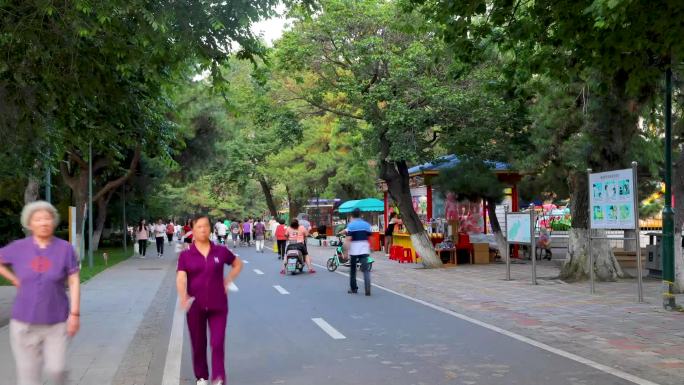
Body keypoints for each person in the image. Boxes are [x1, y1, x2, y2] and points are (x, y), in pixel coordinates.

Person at [0, 201, 81, 385]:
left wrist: (75, 314)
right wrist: (13, 279)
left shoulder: (65, 248)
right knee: (28, 377)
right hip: (23, 322)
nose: (43, 223)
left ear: (53, 221)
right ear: (29, 223)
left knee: (57, 370)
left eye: (47, 218)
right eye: (38, 219)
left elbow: (74, 280)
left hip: (57, 321)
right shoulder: (18, 247)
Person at [177, 215, 243, 385]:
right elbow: (181, 277)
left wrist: (228, 280)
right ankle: (201, 376)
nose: (203, 229)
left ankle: (219, 377)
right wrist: (183, 295)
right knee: (198, 344)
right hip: (195, 306)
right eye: (199, 226)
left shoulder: (220, 251)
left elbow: (237, 264)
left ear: (210, 229)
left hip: (218, 305)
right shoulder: (186, 255)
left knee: (217, 341)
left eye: (206, 226)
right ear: (192, 230)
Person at [343, 208, 372, 296]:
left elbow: (348, 239)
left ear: (352, 216)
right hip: (364, 249)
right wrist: (372, 247)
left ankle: (353, 288)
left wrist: (345, 252)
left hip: (354, 250)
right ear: (360, 215)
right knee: (365, 269)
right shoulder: (366, 225)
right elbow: (370, 237)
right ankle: (367, 288)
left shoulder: (351, 226)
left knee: (353, 270)